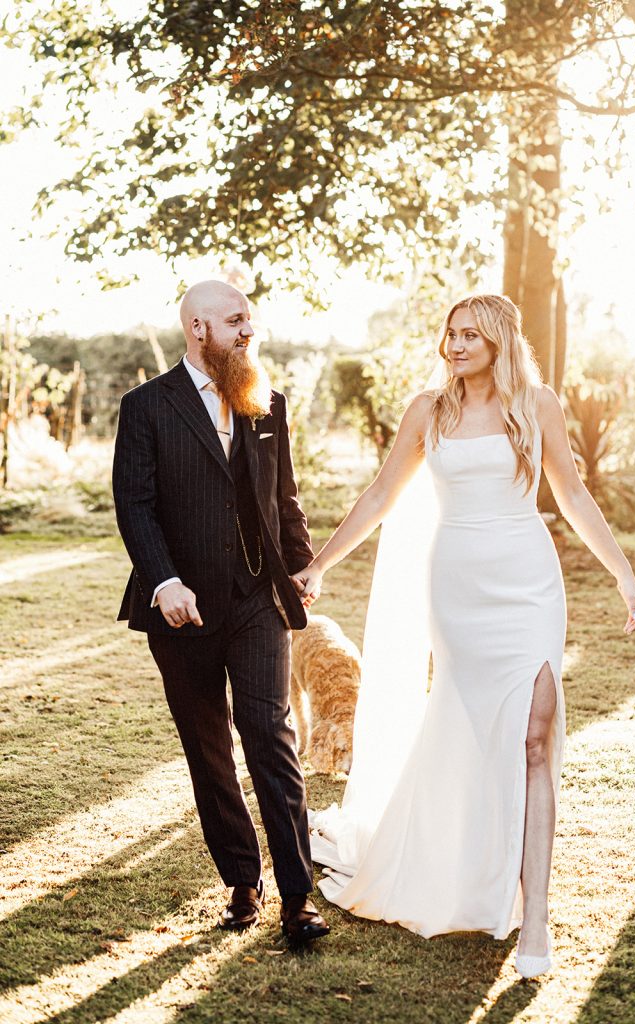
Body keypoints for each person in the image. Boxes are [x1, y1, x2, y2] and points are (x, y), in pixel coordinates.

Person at [294, 293, 635, 976]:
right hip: (457, 588)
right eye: (448, 335)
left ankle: (534, 916)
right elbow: (379, 495)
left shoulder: (536, 404)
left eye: (467, 336)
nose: (452, 346)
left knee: (533, 736)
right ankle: (457, 866)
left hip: (528, 583)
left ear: (497, 341)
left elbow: (571, 495)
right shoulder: (430, 410)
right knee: (468, 730)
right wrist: (317, 563)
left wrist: (623, 575)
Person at [112, 280, 330, 946]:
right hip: (181, 609)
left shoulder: (268, 404)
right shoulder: (146, 406)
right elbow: (135, 504)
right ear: (197, 327)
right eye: (236, 321)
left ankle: (297, 895)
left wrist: (302, 565)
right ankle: (242, 881)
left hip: (257, 600)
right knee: (207, 749)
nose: (248, 332)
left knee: (270, 733)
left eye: (250, 322)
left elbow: (282, 498)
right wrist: (165, 581)